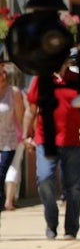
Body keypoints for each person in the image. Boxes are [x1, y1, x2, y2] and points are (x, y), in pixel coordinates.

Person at [24, 58, 80, 240]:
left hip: (73, 140)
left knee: (74, 188)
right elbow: (31, 109)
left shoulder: (77, 79)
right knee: (44, 179)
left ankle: (71, 229)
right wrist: (27, 135)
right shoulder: (41, 80)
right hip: (46, 140)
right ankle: (51, 221)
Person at [0, 64, 26, 225]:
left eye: (3, 72)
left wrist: (24, 135)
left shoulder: (13, 92)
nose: (3, 75)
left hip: (10, 140)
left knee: (5, 170)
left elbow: (21, 115)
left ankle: (8, 200)